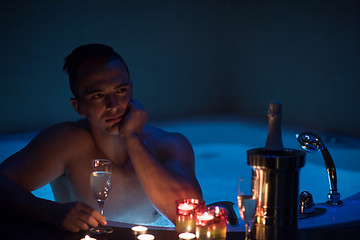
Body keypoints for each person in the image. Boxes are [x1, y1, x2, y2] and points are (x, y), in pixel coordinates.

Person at [0, 44, 203, 232]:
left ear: (131, 90)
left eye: (120, 90)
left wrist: (132, 138)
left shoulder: (168, 144)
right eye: (98, 95)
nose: (113, 105)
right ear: (78, 106)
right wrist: (50, 212)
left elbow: (190, 217)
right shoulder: (66, 143)